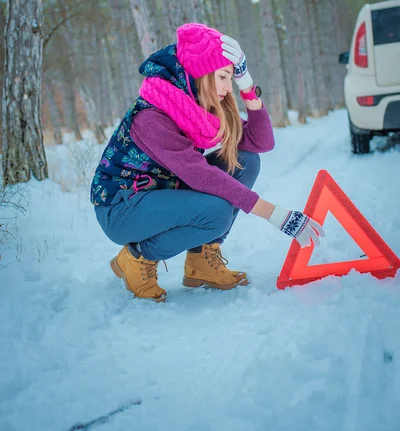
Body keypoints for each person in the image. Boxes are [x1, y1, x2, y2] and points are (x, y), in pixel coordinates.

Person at [91, 23, 325, 303]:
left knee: (245, 161)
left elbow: (261, 142)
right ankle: (136, 258)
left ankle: (202, 261)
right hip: (123, 208)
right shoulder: (153, 117)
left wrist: (247, 85)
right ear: (200, 76)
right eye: (224, 77)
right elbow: (201, 176)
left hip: (162, 192)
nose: (229, 87)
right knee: (215, 213)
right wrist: (275, 214)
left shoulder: (196, 108)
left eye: (232, 78)